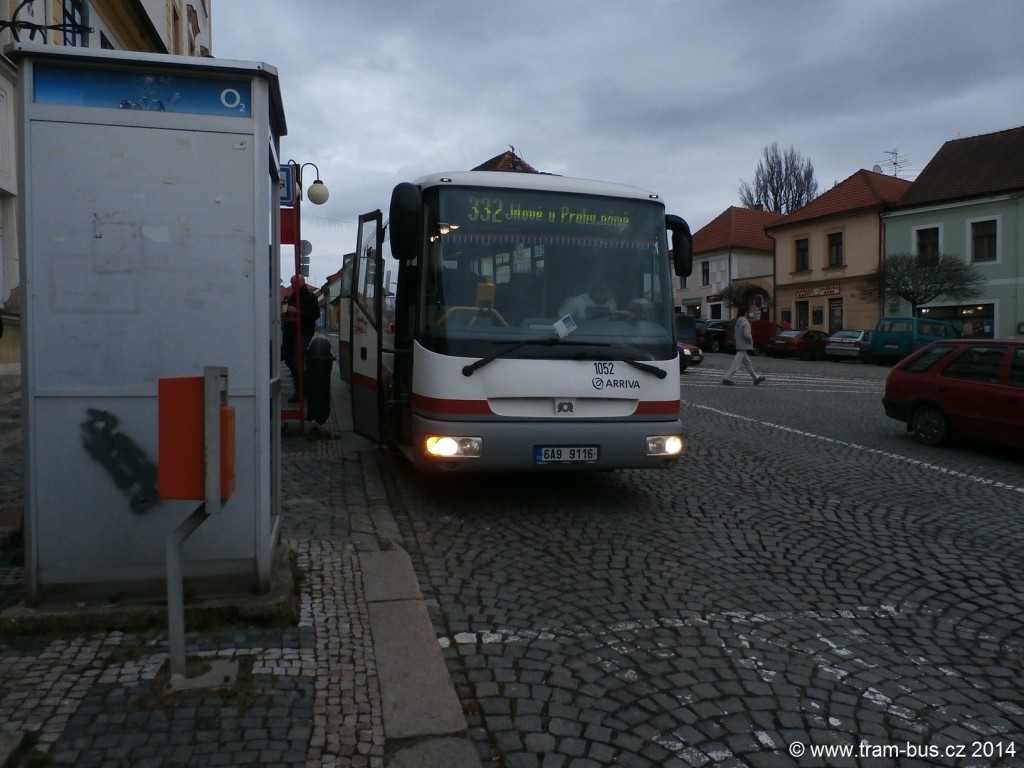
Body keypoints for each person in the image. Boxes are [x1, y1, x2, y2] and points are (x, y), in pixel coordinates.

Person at [282, 274, 319, 402]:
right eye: (291, 282)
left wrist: (296, 311)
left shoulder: (310, 297)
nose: (291, 285)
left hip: (304, 332)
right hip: (292, 332)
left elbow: (315, 314)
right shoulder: (294, 295)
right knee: (291, 360)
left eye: (293, 282)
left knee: (296, 362)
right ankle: (301, 389)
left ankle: (301, 390)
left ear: (300, 283)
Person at [722, 309, 766, 386]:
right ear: (746, 313)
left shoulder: (737, 323)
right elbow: (747, 335)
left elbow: (735, 335)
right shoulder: (746, 323)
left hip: (739, 344)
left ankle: (755, 378)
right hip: (744, 345)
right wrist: (750, 341)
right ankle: (727, 378)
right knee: (736, 364)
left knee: (748, 362)